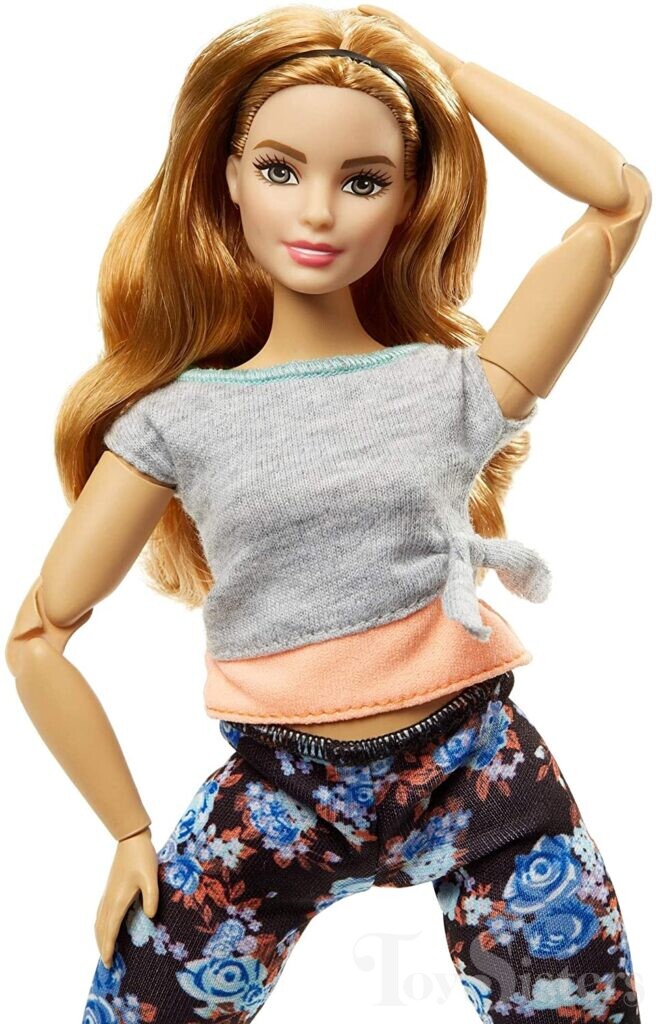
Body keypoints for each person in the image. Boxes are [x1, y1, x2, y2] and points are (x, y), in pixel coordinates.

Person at [5, 5, 649, 1021]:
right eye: (279, 169)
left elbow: (616, 203)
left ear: (407, 199)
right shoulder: (176, 420)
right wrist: (128, 832)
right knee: (136, 1004)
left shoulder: (444, 386)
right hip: (278, 792)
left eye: (363, 180)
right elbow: (38, 634)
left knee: (581, 1004)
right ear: (227, 177)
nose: (317, 213)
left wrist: (444, 71)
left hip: (477, 770)